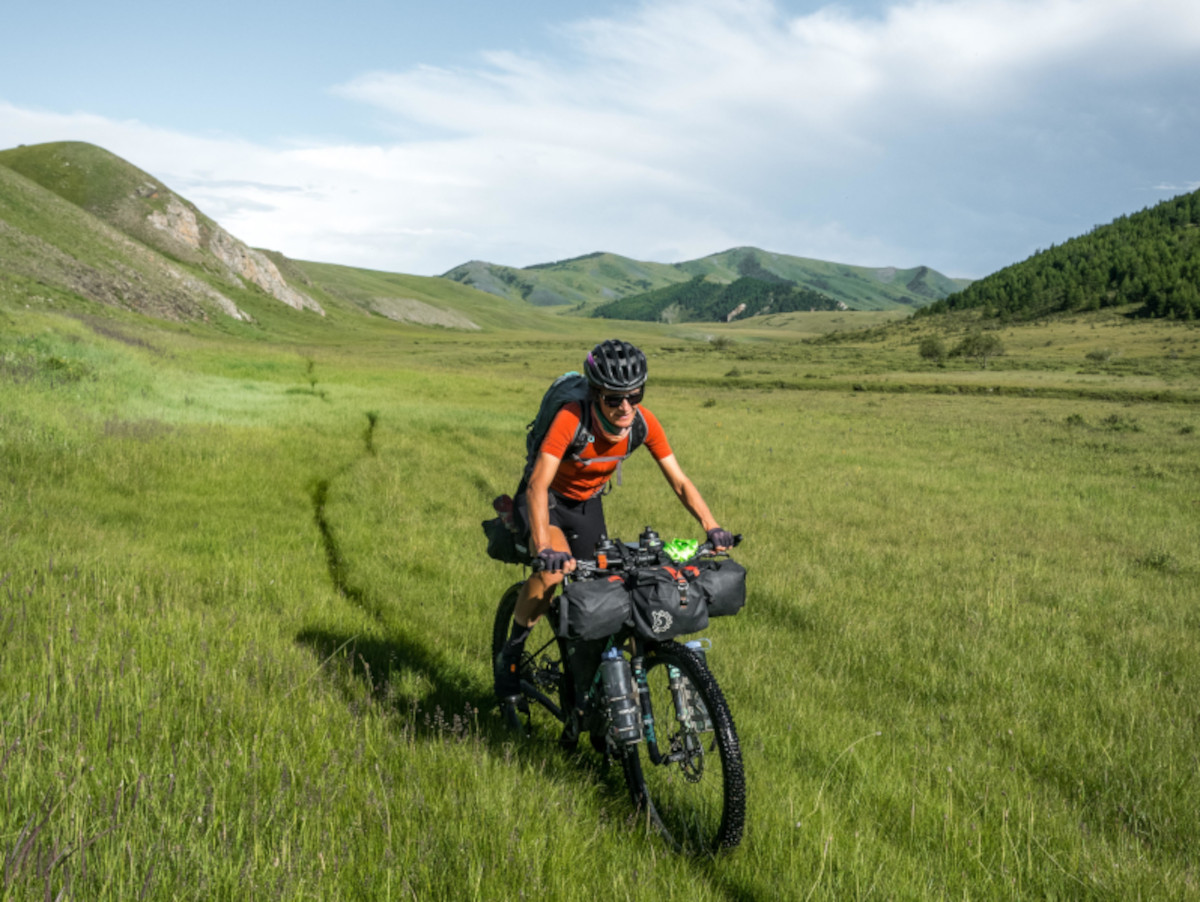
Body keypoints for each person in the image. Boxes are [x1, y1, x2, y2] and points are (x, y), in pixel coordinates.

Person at [495, 338, 734, 711]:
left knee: (608, 589)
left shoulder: (642, 422)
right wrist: (544, 547)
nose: (625, 407)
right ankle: (510, 654)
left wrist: (713, 526)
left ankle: (590, 695)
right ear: (595, 394)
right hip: (547, 502)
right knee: (553, 576)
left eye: (634, 396)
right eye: (613, 399)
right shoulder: (572, 418)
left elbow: (679, 480)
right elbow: (538, 483)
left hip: (587, 505)